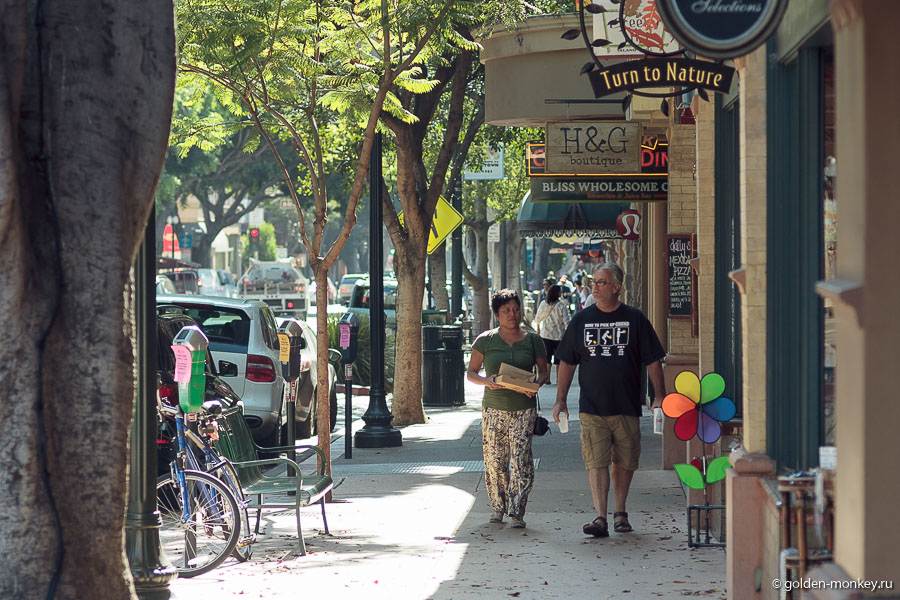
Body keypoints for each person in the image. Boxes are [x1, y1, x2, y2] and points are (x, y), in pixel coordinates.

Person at [552, 262, 666, 538]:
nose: (595, 286)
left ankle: (621, 512)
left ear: (617, 287)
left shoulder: (635, 319)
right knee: (596, 461)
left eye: (602, 282)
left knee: (625, 461)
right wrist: (560, 400)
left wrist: (659, 396)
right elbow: (566, 361)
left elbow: (653, 360)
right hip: (592, 406)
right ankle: (601, 517)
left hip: (627, 404)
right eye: (594, 281)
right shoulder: (581, 320)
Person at [467, 289, 550, 529]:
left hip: (524, 408)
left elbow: (544, 372)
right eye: (506, 311)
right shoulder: (486, 340)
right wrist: (487, 381)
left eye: (515, 309)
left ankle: (518, 511)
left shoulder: (533, 340)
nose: (512, 314)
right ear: (496, 314)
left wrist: (535, 384)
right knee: (495, 461)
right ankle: (497, 507)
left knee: (521, 459)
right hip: (494, 409)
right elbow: (471, 373)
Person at [533, 284, 570, 382]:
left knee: (547, 358)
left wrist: (538, 329)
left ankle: (547, 378)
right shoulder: (562, 306)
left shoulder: (543, 304)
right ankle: (558, 379)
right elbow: (567, 321)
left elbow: (537, 318)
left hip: (546, 335)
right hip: (559, 336)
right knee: (558, 359)